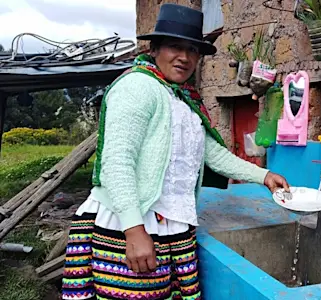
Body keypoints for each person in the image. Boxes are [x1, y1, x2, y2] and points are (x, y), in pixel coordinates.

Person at [61, 4, 290, 300]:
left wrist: (264, 175)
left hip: (171, 225)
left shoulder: (182, 98)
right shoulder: (138, 88)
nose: (185, 57)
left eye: (193, 50)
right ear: (155, 48)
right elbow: (116, 163)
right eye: (174, 47)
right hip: (130, 223)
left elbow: (213, 153)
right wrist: (133, 230)